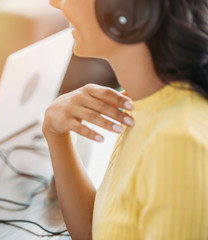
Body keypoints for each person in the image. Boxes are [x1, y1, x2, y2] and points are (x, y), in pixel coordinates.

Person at [42, 0, 208, 239]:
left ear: (128, 8)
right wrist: (55, 133)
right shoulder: (147, 103)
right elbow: (99, 231)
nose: (56, 3)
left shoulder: (180, 142)